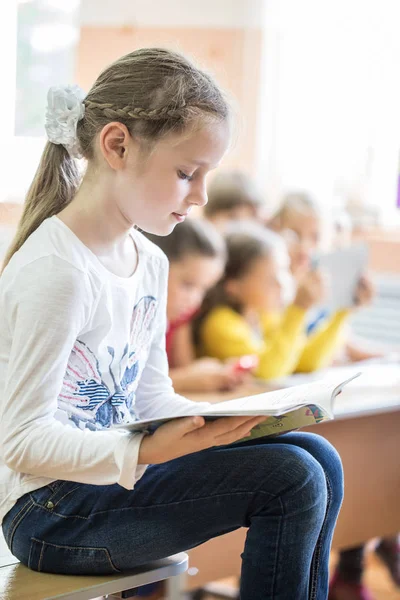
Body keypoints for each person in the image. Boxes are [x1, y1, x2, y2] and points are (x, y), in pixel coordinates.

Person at [0, 48, 344, 600]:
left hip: (106, 484)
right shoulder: (57, 270)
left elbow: (150, 397)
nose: (201, 196)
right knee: (292, 477)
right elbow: (22, 441)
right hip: (50, 515)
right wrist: (145, 453)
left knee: (317, 458)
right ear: (116, 146)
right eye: (187, 173)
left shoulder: (151, 261)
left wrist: (231, 422)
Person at [196, 223, 361, 379]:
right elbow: (268, 371)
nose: (282, 284)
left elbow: (305, 361)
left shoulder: (264, 316)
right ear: (233, 287)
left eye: (283, 272)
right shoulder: (220, 324)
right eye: (270, 279)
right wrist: (298, 309)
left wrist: (344, 309)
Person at [145, 218, 246, 393]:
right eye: (188, 285)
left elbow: (185, 368)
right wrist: (187, 380)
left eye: (204, 289)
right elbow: (126, 388)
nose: (196, 300)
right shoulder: (130, 318)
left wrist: (215, 374)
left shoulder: (179, 317)